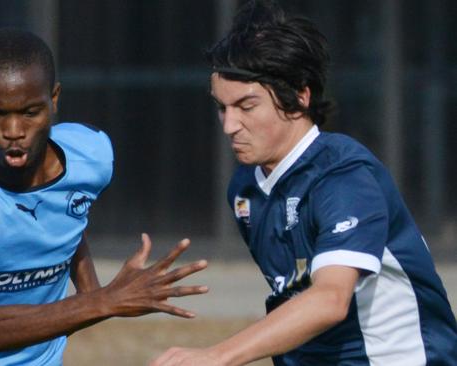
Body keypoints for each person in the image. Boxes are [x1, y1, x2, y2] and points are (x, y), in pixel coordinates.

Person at [0, 28, 209, 366]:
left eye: (31, 112)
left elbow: (65, 215)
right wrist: (105, 301)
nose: (14, 131)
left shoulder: (91, 155)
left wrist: (93, 291)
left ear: (55, 99)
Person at [151, 1, 457, 365]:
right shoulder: (245, 189)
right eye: (222, 107)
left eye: (246, 107)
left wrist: (218, 356)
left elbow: (330, 300)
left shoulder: (344, 177)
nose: (229, 125)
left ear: (299, 96)